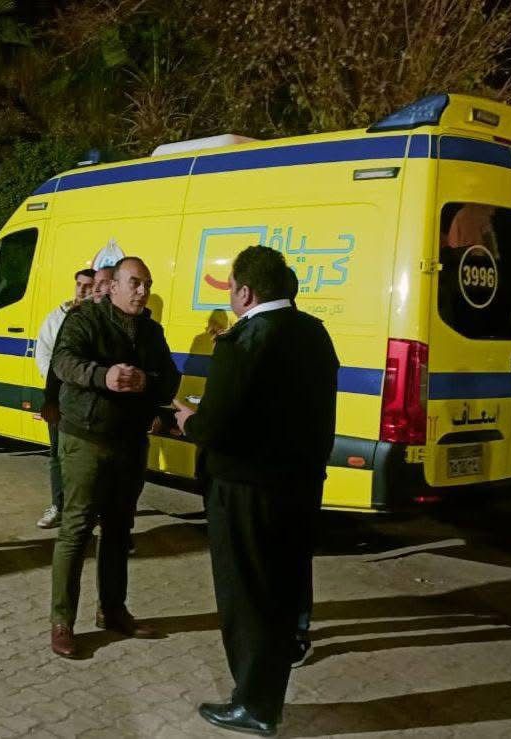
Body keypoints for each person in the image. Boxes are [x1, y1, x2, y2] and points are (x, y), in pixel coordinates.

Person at [174, 245, 338, 736]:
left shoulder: (242, 341)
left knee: (246, 599)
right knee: (282, 595)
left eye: (230, 288)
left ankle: (254, 705)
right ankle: (267, 697)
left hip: (244, 492)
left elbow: (217, 426)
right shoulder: (315, 333)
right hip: (300, 487)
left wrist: (189, 420)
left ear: (244, 292)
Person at [48, 256, 180, 658]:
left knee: (120, 529)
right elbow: (63, 362)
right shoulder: (85, 320)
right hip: (86, 438)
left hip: (130, 441)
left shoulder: (152, 332)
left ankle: (113, 609)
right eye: (135, 283)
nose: (142, 291)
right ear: (115, 286)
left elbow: (169, 380)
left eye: (147, 284)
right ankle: (62, 622)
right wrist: (101, 375)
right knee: (77, 528)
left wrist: (146, 382)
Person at [34, 268, 96, 529]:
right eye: (80, 284)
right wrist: (58, 385)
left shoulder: (100, 318)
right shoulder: (57, 316)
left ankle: (89, 509)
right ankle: (58, 506)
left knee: (87, 458)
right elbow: (43, 354)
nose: (83, 289)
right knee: (57, 454)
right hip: (60, 397)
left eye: (89, 285)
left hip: (87, 402)